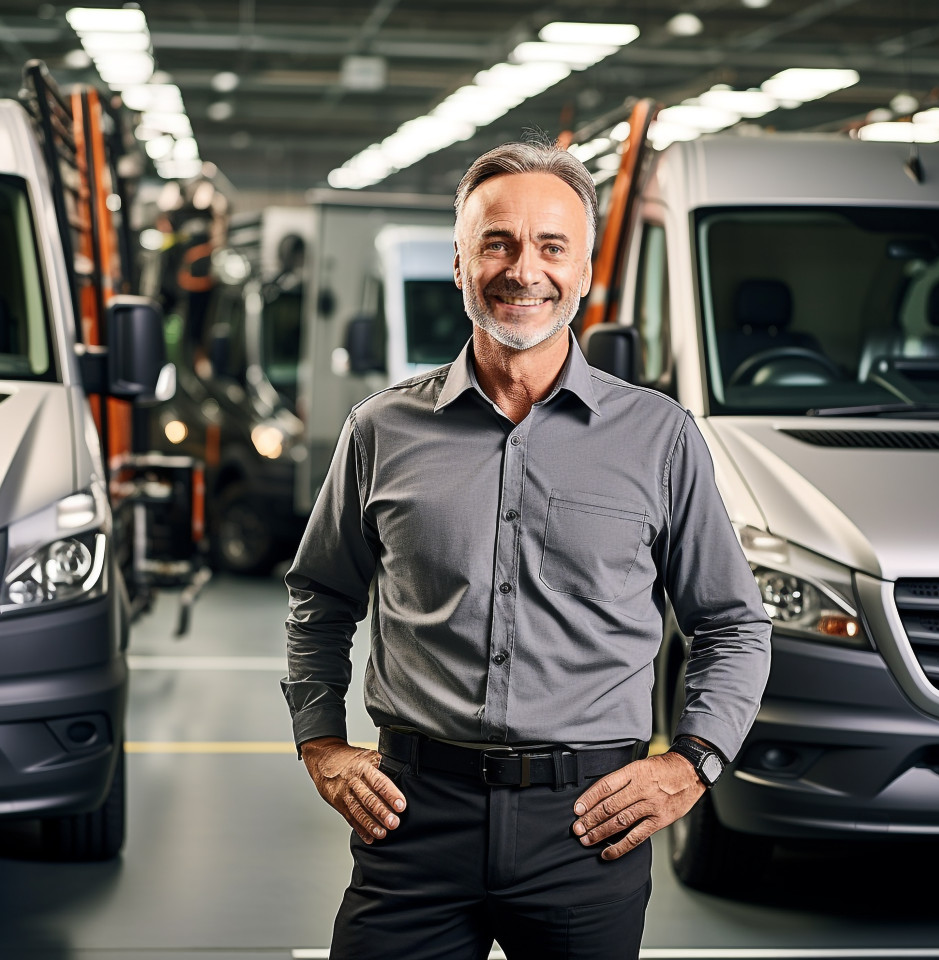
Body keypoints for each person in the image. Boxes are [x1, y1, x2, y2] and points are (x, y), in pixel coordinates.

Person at [282, 138, 771, 960]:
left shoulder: (660, 438)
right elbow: (320, 598)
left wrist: (692, 763)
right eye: (497, 244)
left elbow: (732, 624)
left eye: (551, 246)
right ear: (460, 263)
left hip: (588, 825)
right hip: (413, 816)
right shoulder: (381, 430)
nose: (523, 271)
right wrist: (320, 741)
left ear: (584, 271)